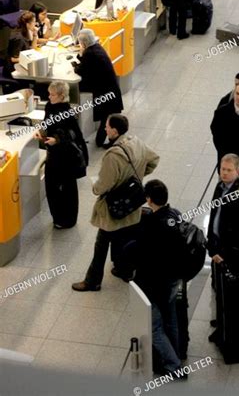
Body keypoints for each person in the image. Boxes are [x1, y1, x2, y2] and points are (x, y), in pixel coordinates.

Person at [71, 114, 159, 291]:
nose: (105, 128)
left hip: (113, 207)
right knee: (126, 235)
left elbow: (103, 185)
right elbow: (154, 159)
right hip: (132, 203)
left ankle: (92, 281)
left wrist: (95, 187)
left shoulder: (113, 155)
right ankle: (125, 270)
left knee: (101, 243)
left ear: (115, 131)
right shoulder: (137, 142)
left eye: (107, 126)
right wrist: (137, 177)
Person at [125, 179, 185, 376]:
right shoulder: (175, 215)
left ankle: (173, 365)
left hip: (154, 282)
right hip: (173, 277)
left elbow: (140, 251)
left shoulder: (151, 224)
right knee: (171, 319)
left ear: (149, 199)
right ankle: (177, 352)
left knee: (154, 326)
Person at [38, 81, 88, 229]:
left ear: (61, 96)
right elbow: (46, 123)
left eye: (52, 94)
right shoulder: (50, 106)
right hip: (53, 154)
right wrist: (41, 132)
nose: (49, 97)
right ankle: (58, 217)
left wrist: (57, 140)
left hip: (66, 156)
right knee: (52, 188)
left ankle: (68, 219)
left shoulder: (67, 112)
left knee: (67, 189)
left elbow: (74, 134)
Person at [207, 153, 239, 303]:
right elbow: (214, 214)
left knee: (231, 291)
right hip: (217, 244)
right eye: (222, 169)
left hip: (231, 253)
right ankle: (222, 319)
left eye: (229, 170)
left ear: (238, 171)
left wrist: (228, 255)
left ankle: (229, 324)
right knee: (219, 287)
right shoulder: (220, 186)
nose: (225, 173)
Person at [71, 29, 124, 147]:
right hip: (109, 88)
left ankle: (103, 141)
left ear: (83, 43)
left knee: (106, 117)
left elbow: (81, 70)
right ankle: (101, 141)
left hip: (105, 91)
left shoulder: (90, 53)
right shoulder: (96, 48)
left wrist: (76, 63)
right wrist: (81, 55)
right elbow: (88, 64)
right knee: (107, 116)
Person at [4, 11, 38, 78]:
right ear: (28, 24)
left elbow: (33, 49)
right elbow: (13, 59)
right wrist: (30, 60)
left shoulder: (25, 32)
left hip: (21, 64)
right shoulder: (19, 38)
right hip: (13, 69)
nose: (35, 24)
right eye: (34, 22)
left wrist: (35, 34)